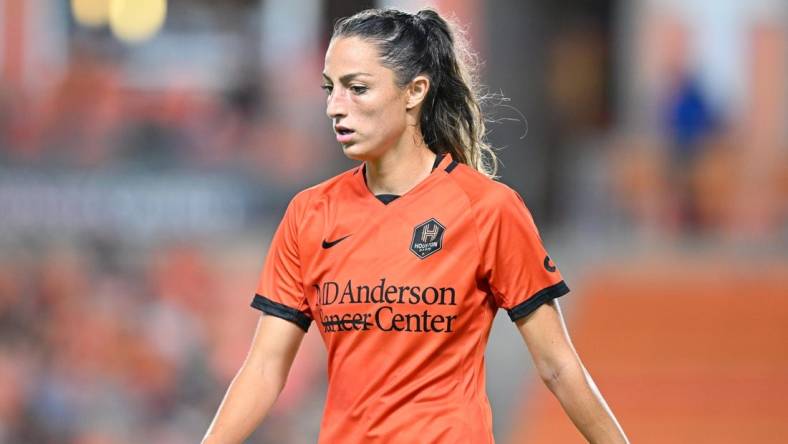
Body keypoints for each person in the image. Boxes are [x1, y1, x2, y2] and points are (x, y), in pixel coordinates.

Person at [203, 8, 628, 444]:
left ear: (414, 91)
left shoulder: (488, 209)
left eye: (357, 88)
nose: (335, 107)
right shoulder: (310, 213)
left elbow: (558, 366)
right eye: (331, 89)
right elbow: (264, 369)